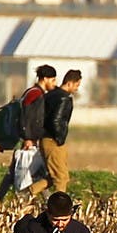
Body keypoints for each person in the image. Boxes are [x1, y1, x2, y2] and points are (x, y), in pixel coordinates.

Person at [0, 66, 57, 201]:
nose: (54, 84)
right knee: (38, 172)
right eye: (52, 80)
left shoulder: (31, 92)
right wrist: (29, 138)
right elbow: (29, 118)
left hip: (23, 137)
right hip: (27, 139)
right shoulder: (36, 95)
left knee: (16, 172)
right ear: (45, 79)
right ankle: (46, 202)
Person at [37, 68, 79, 200]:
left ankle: (28, 192)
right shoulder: (64, 98)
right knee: (61, 178)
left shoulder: (50, 95)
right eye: (77, 85)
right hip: (53, 141)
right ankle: (60, 206)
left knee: (54, 174)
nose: (77, 88)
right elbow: (56, 120)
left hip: (45, 138)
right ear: (70, 83)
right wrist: (59, 138)